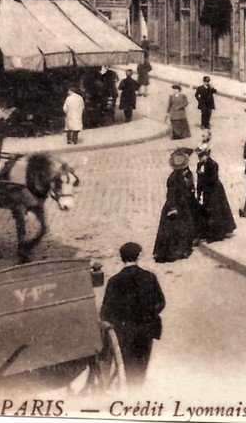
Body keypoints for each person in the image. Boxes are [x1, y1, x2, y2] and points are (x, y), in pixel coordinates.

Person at [99, 242, 166, 386]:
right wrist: (149, 314)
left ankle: (131, 391)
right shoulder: (149, 277)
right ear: (138, 256)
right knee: (142, 365)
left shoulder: (114, 281)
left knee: (128, 366)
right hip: (146, 330)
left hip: (124, 332)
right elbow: (161, 302)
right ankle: (138, 389)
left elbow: (105, 312)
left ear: (122, 258)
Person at [153, 149, 202, 263]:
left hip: (185, 203)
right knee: (177, 228)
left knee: (186, 225)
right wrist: (173, 208)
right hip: (176, 205)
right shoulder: (172, 178)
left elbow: (190, 187)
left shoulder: (188, 174)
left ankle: (187, 244)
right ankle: (177, 250)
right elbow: (171, 195)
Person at [195, 145, 236, 242]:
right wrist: (199, 193)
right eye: (199, 156)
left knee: (216, 211)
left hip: (215, 190)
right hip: (206, 191)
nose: (200, 158)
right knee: (208, 211)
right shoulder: (199, 165)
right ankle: (210, 232)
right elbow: (199, 180)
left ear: (207, 155)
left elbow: (213, 179)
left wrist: (202, 175)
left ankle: (218, 233)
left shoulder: (213, 164)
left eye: (202, 156)